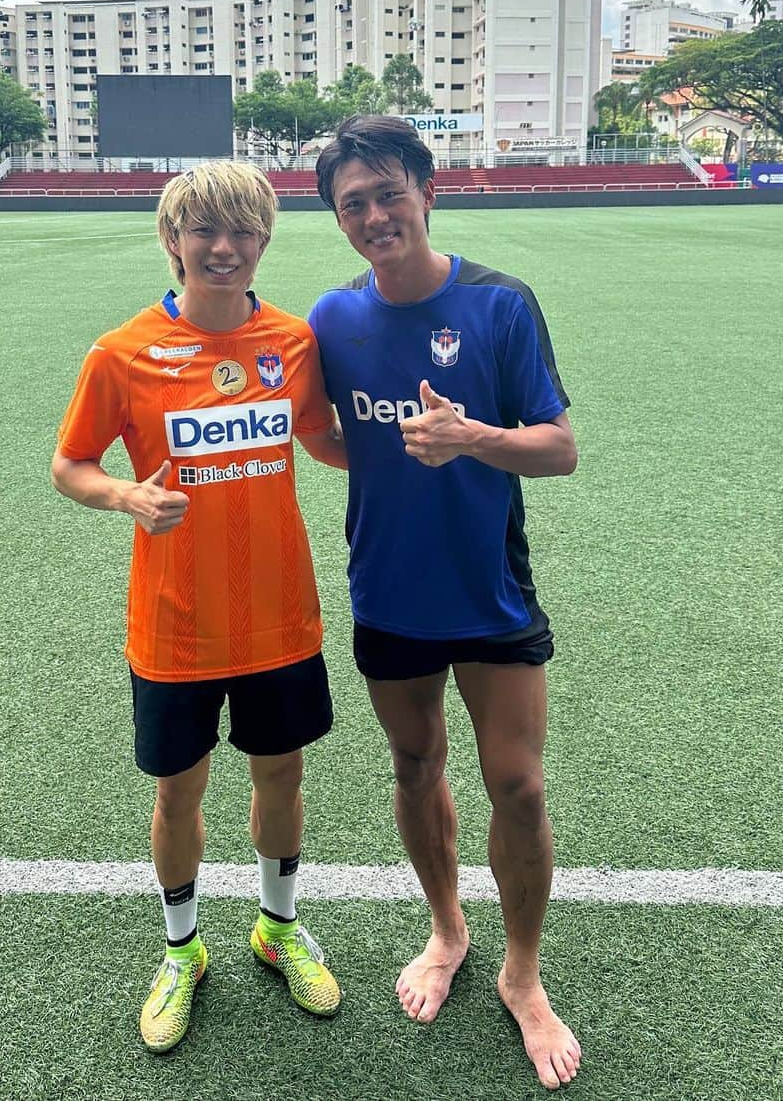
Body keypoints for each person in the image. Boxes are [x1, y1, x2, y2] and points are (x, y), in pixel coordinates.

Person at [309, 116, 581, 1090]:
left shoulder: (501, 305)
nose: (376, 215)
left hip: (490, 591)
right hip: (388, 589)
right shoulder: (332, 319)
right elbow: (321, 427)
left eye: (389, 192)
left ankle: (523, 970)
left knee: (520, 785)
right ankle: (447, 927)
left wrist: (473, 438)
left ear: (429, 190)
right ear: (338, 218)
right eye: (354, 203)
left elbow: (559, 447)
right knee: (416, 762)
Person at [52, 160, 346, 1053]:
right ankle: (182, 947)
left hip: (278, 615)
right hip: (174, 624)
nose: (223, 248)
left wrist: (405, 445)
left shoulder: (294, 341)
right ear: (172, 239)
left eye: (242, 231)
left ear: (263, 240)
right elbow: (72, 464)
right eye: (204, 232)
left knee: (282, 775)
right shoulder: (122, 351)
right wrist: (126, 498)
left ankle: (278, 925)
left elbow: (322, 437)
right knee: (178, 790)